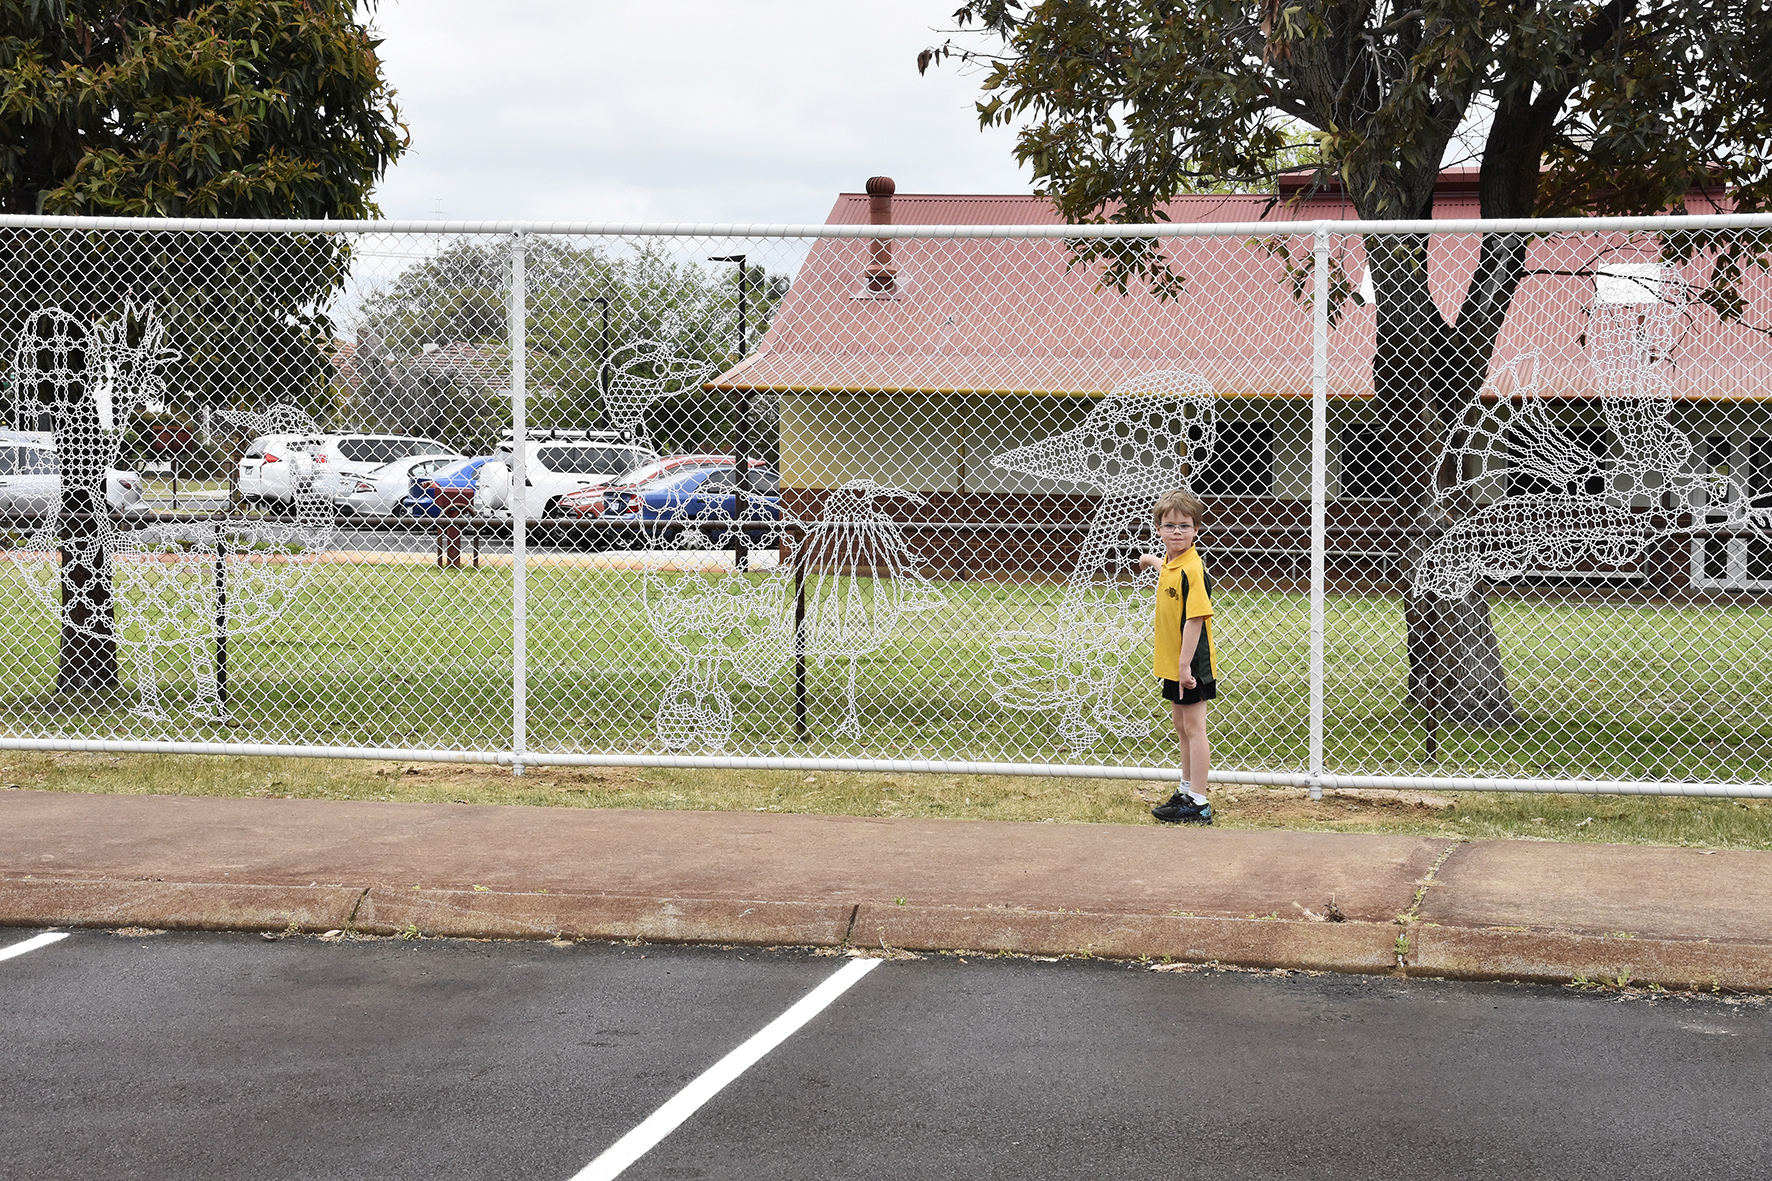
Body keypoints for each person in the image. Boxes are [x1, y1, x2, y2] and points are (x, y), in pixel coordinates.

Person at [1137, 490, 1216, 825]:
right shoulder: (1172, 563)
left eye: (1185, 526)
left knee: (1195, 728)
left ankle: (1199, 802)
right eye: (1169, 526)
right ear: (1158, 529)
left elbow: (1195, 618)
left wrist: (1185, 667)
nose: (1177, 532)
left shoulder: (1193, 568)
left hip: (1191, 663)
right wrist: (1150, 560)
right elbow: (1165, 567)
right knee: (1181, 727)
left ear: (1196, 529)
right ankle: (1185, 790)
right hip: (1173, 661)